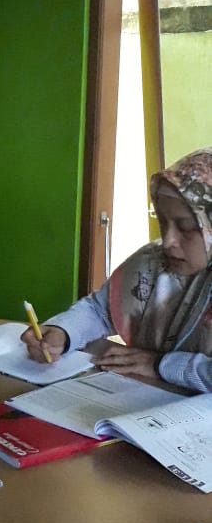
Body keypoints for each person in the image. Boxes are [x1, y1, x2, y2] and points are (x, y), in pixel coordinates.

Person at [22, 147, 212, 393]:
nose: (168, 241)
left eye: (186, 227)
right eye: (163, 222)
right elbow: (100, 310)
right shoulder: (154, 261)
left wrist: (160, 365)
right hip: (143, 397)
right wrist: (63, 332)